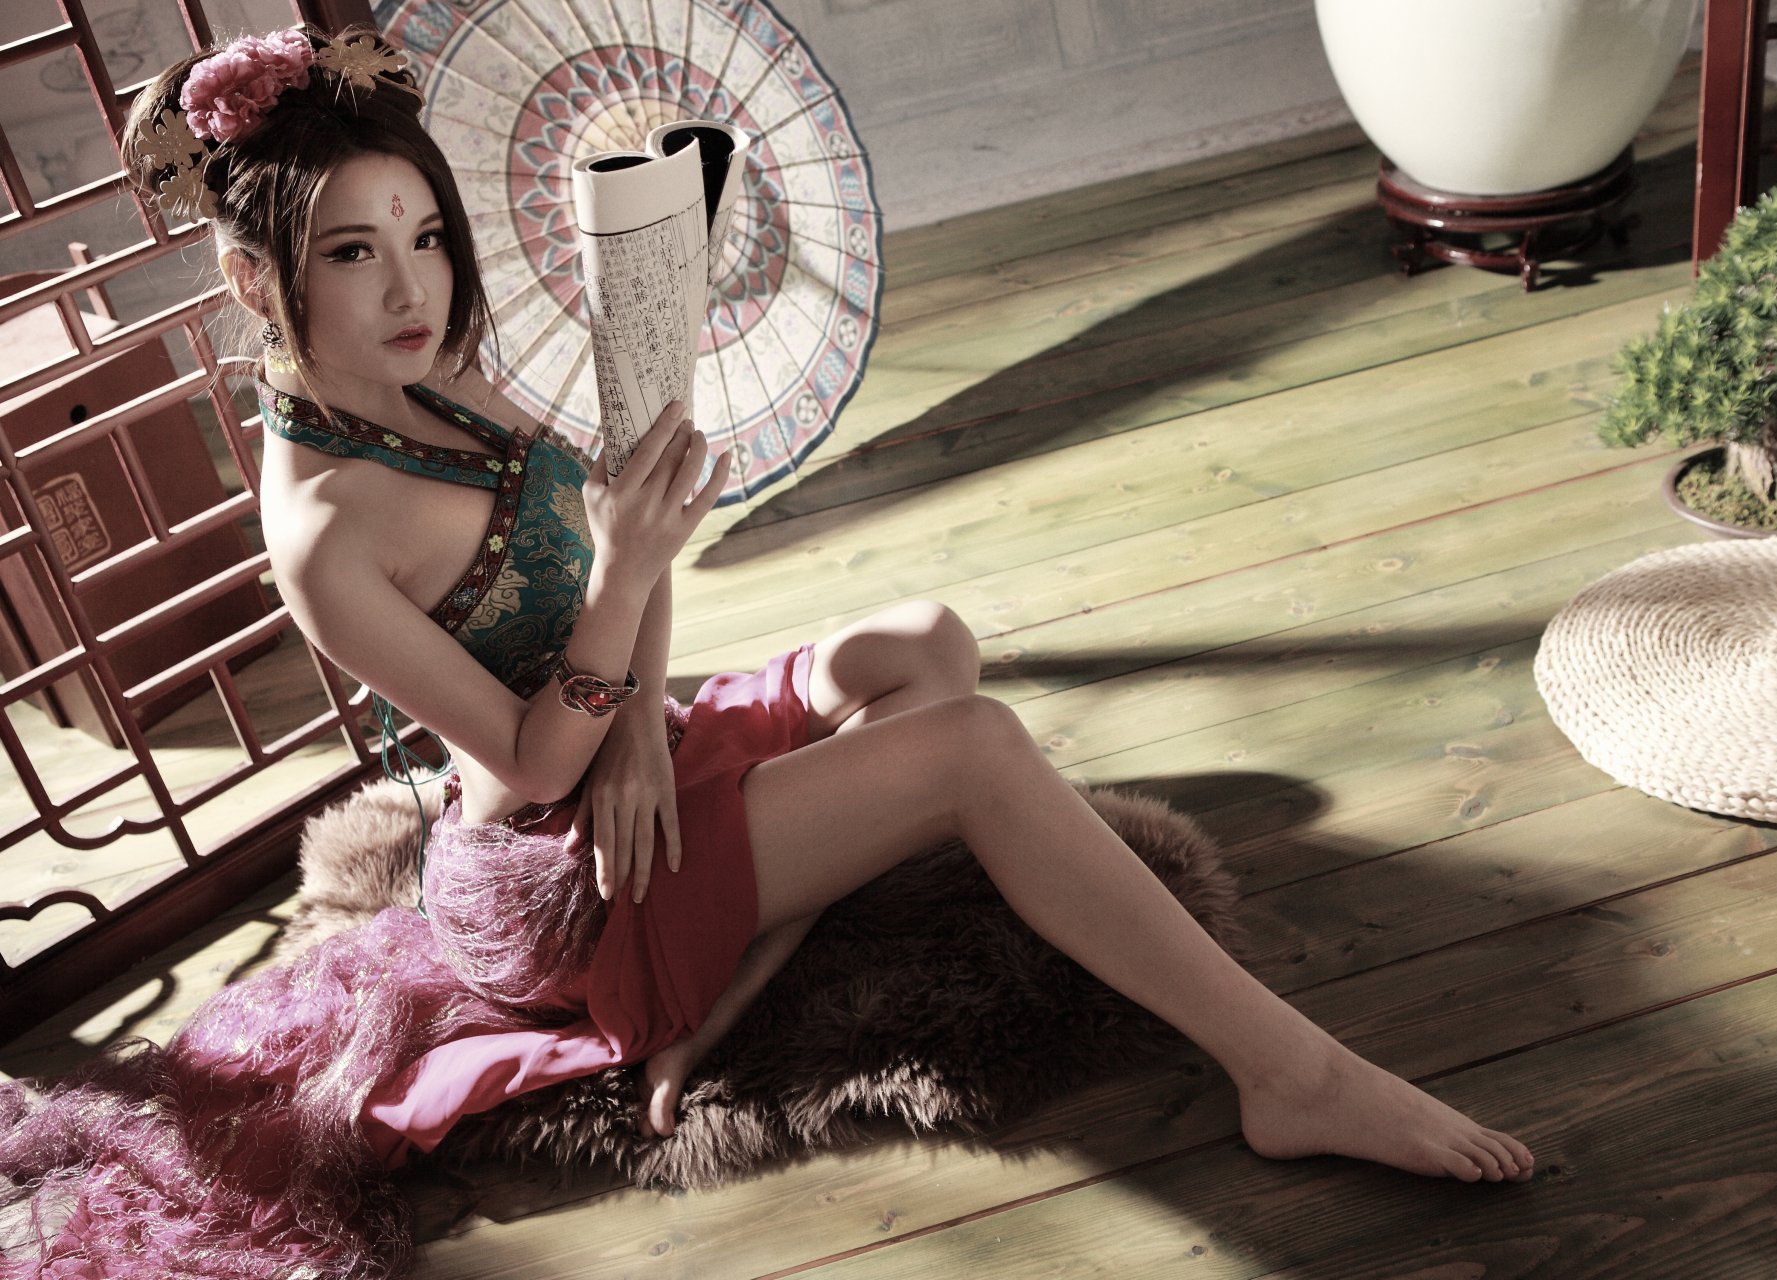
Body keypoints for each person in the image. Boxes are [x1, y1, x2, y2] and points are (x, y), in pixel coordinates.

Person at [0, 23, 1531, 1277]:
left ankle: (744, 974)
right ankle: (1291, 1076)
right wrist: (624, 579)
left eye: (421, 234)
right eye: (350, 254)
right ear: (258, 281)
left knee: (927, 637)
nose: (409, 286)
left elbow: (628, 568)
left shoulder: (435, 375)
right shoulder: (325, 533)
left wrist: (646, 623)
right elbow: (529, 755)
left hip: (633, 739)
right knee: (978, 749)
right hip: (555, 875)